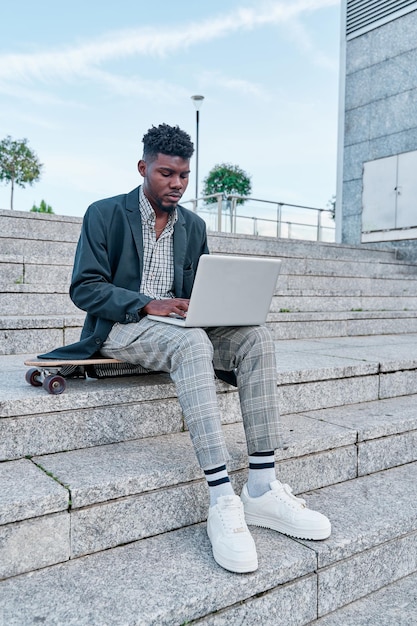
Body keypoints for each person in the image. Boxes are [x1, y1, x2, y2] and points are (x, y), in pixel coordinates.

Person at [41, 123, 331, 573]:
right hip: (124, 326)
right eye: (166, 174)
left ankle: (260, 488)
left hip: (179, 326)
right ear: (143, 168)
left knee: (258, 337)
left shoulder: (193, 226)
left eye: (184, 176)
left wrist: (215, 305)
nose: (176, 184)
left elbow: (200, 289)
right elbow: (85, 288)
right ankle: (221, 499)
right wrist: (146, 304)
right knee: (192, 342)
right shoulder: (104, 214)